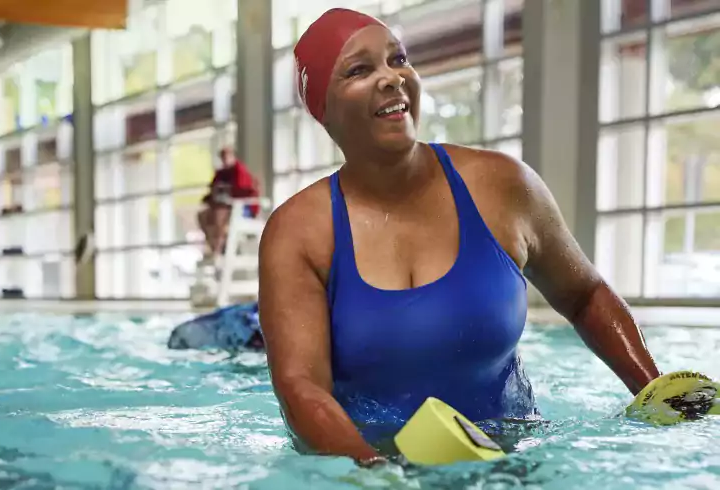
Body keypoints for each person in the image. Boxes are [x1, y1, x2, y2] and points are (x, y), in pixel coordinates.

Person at [257, 8, 661, 466]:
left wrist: (657, 391)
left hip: (513, 457)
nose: (392, 78)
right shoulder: (299, 232)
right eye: (359, 69)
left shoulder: (502, 186)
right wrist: (376, 474)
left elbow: (586, 296)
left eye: (398, 59)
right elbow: (301, 387)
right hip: (367, 465)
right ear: (323, 110)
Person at [198, 147, 260, 259]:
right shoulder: (221, 173)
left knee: (219, 215)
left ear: (233, 156)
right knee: (202, 216)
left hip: (243, 208)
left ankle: (218, 248)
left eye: (227, 157)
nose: (225, 160)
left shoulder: (240, 171)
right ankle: (216, 246)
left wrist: (229, 195)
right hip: (224, 207)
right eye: (223, 157)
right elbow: (213, 190)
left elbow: (245, 191)